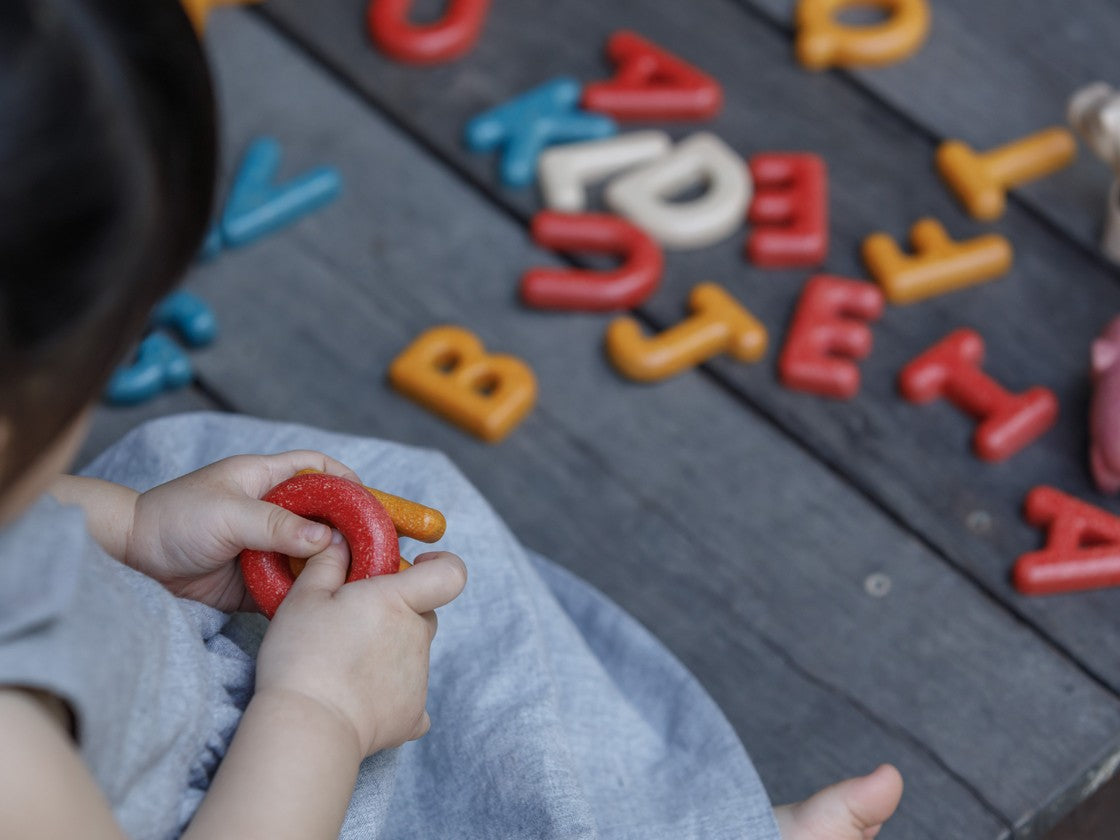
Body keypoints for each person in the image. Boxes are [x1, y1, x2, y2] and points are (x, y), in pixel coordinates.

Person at [0, 1, 904, 838]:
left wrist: (132, 527)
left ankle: (672, 812)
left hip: (145, 658)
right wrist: (320, 710)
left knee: (414, 595)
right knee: (455, 762)